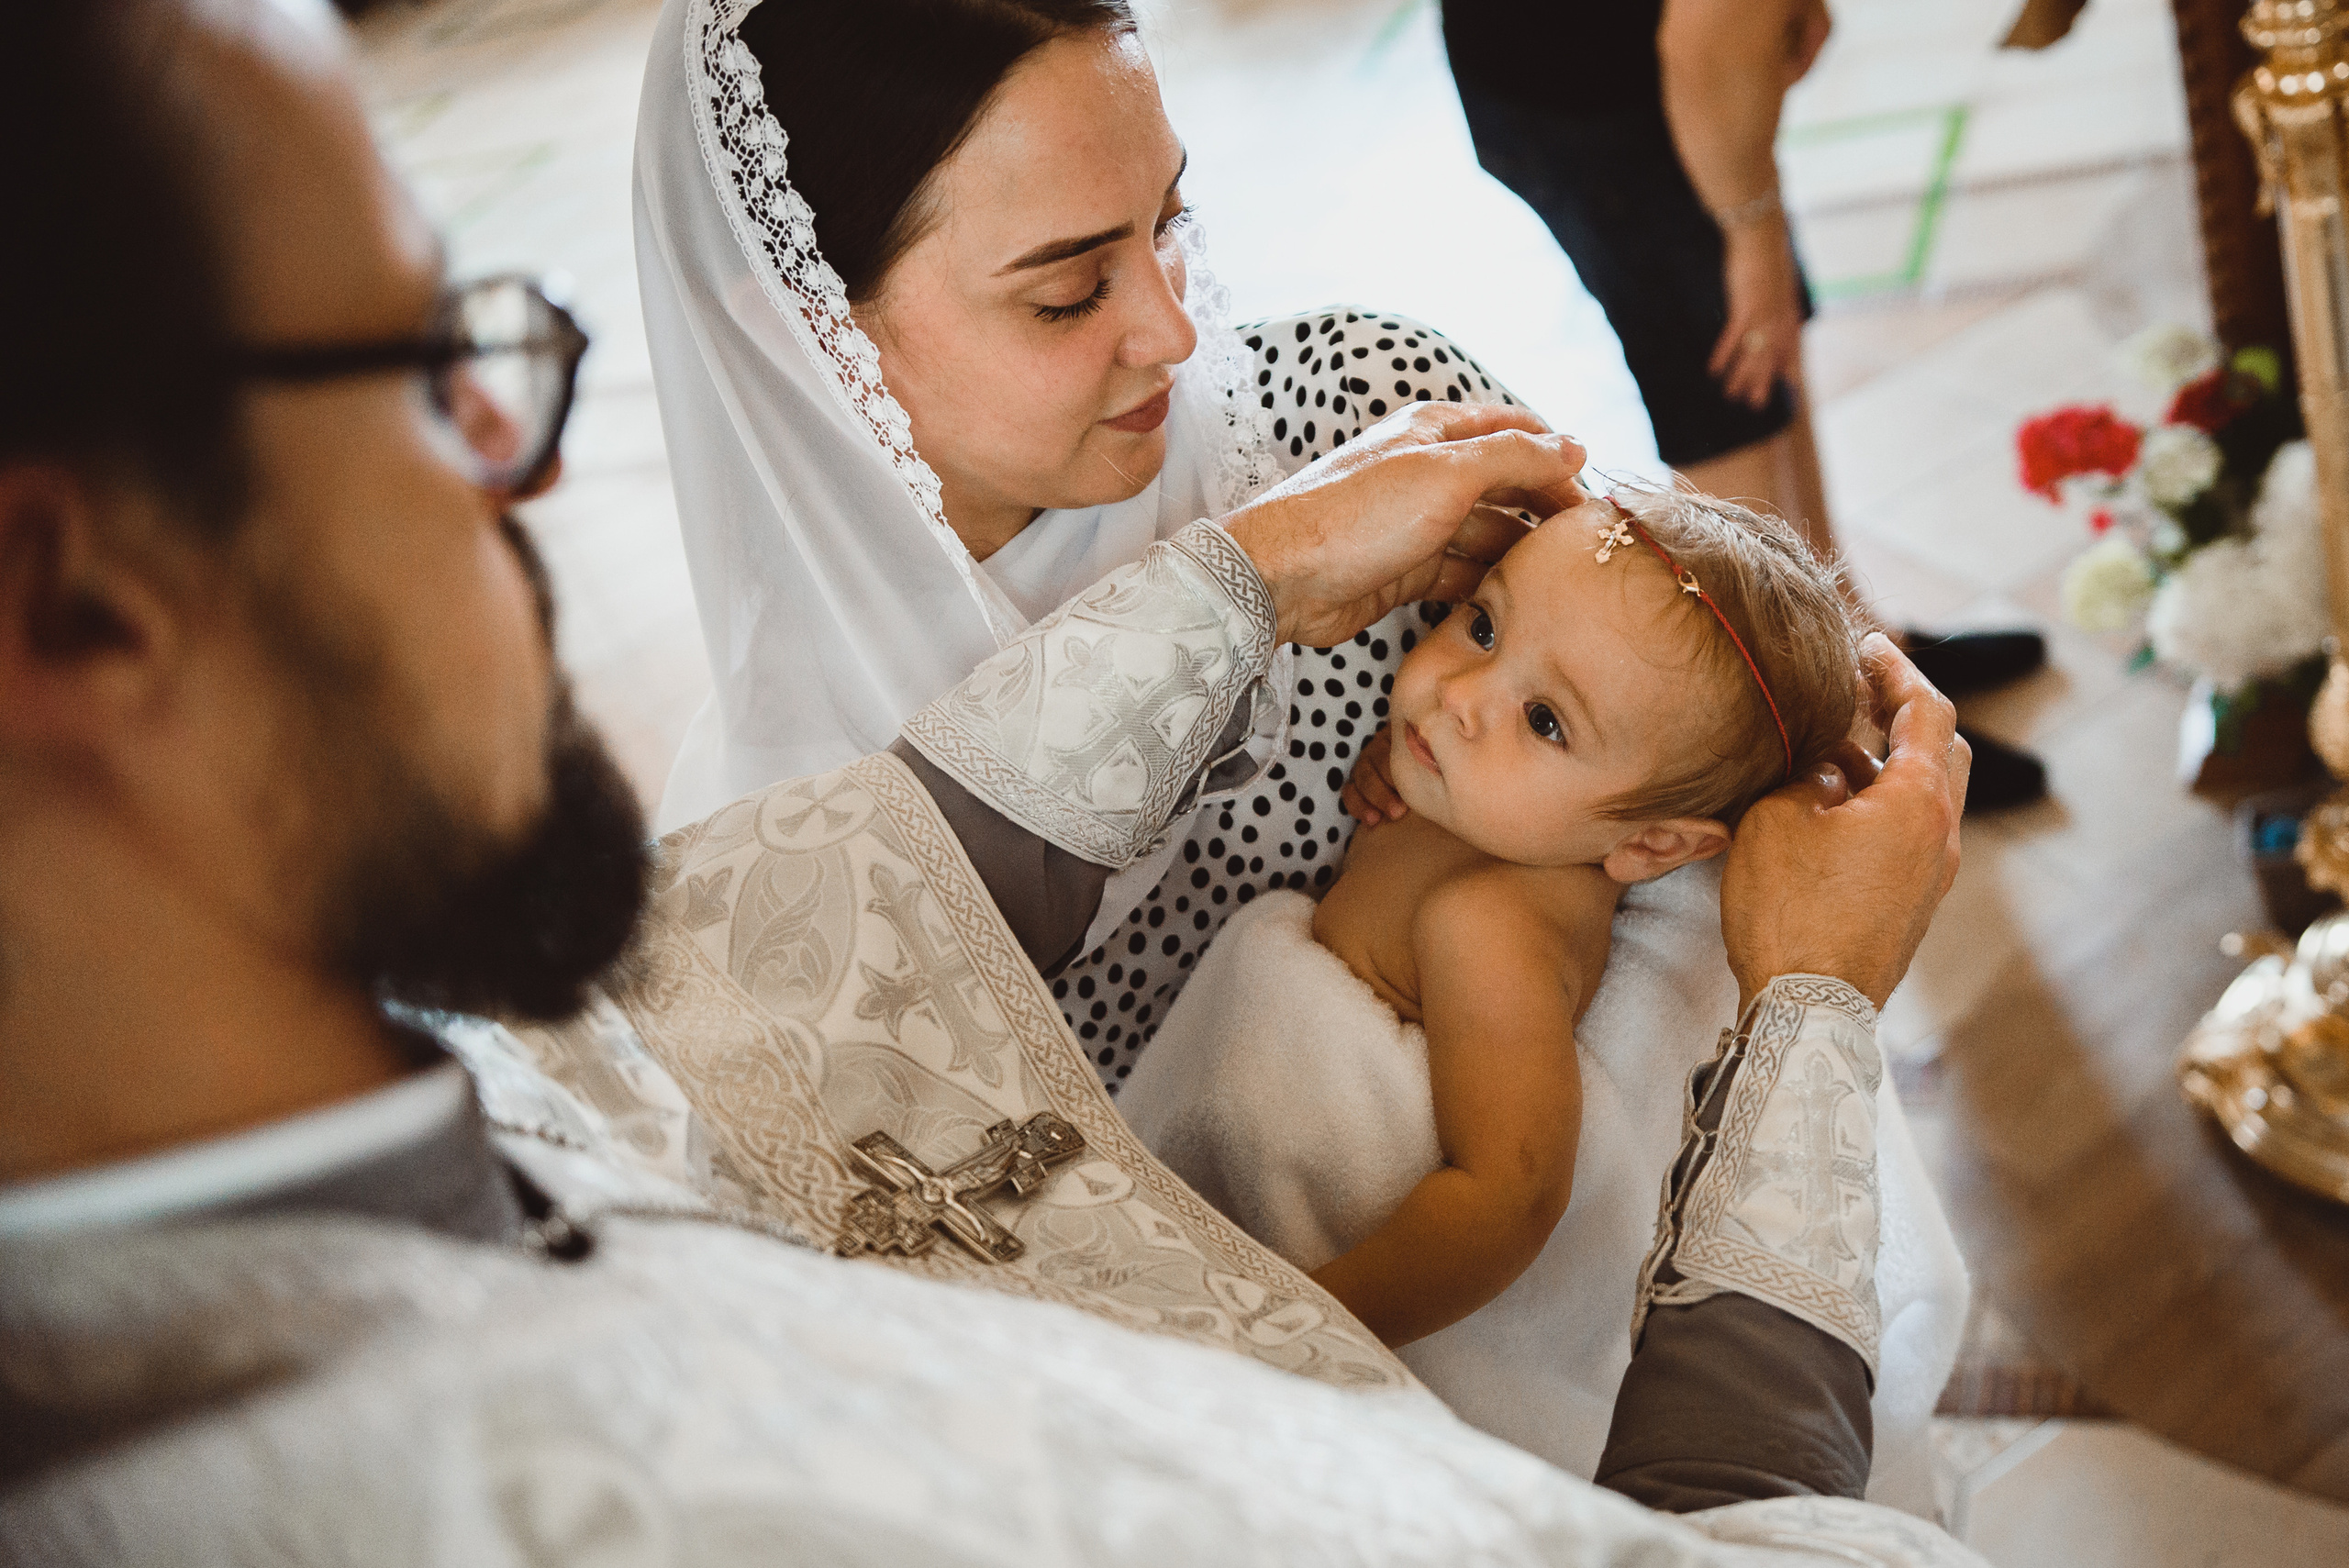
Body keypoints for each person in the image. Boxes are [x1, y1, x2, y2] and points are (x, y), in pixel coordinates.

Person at [0, 2, 1988, 1562]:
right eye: (432, 371)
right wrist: (1808, 1009)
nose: (505, 470)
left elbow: (811, 942)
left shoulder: (483, 1067)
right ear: (67, 591)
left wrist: (1268, 569)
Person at [640, 0, 1585, 1089]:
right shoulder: (791, 827)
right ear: (801, 328)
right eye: (1069, 293)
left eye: (1170, 221)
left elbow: (1714, 705)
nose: (1174, 334)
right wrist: (1259, 575)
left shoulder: (1370, 427)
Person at [1119, 489, 1965, 1490]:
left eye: (1545, 719)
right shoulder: (1483, 797)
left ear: (1651, 845)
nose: (1461, 694)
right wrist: (1400, 774)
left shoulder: (1492, 926)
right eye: (1483, 622)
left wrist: (1294, 1329)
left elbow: (1507, 1196)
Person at [1440, 0, 2052, 811]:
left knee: (1767, 349)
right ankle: (1838, 739)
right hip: (1589, 85)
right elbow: (1710, 38)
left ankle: (1866, 646)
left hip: (1623, 56)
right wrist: (1752, 230)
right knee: (1729, 380)